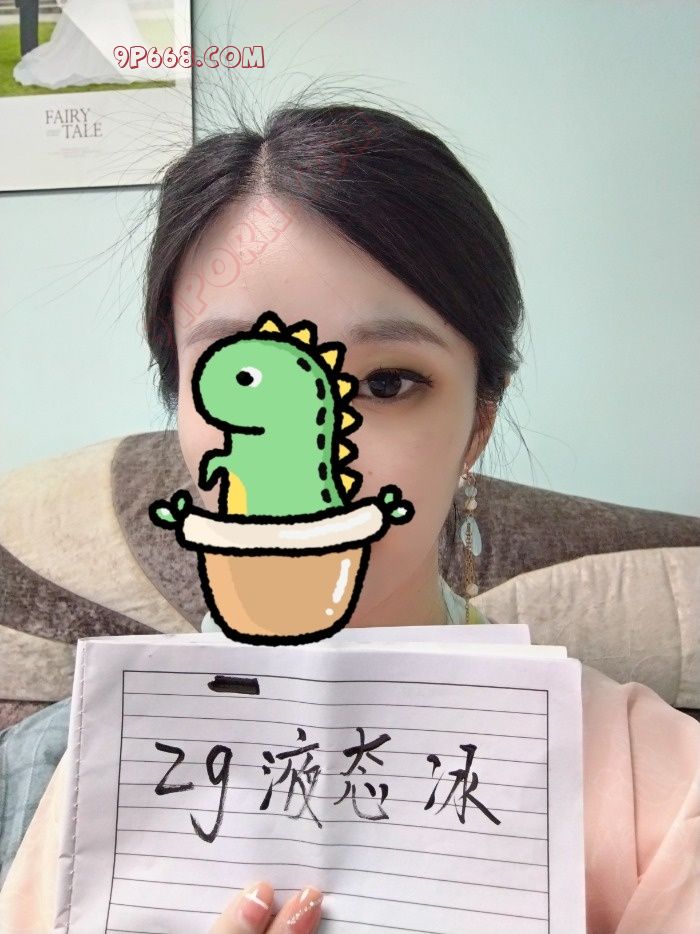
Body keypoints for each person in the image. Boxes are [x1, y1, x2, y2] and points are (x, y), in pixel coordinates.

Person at [1, 102, 698, 934]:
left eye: (387, 383)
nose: (318, 454)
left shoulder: (664, 797)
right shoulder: (88, 774)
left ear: (477, 423)